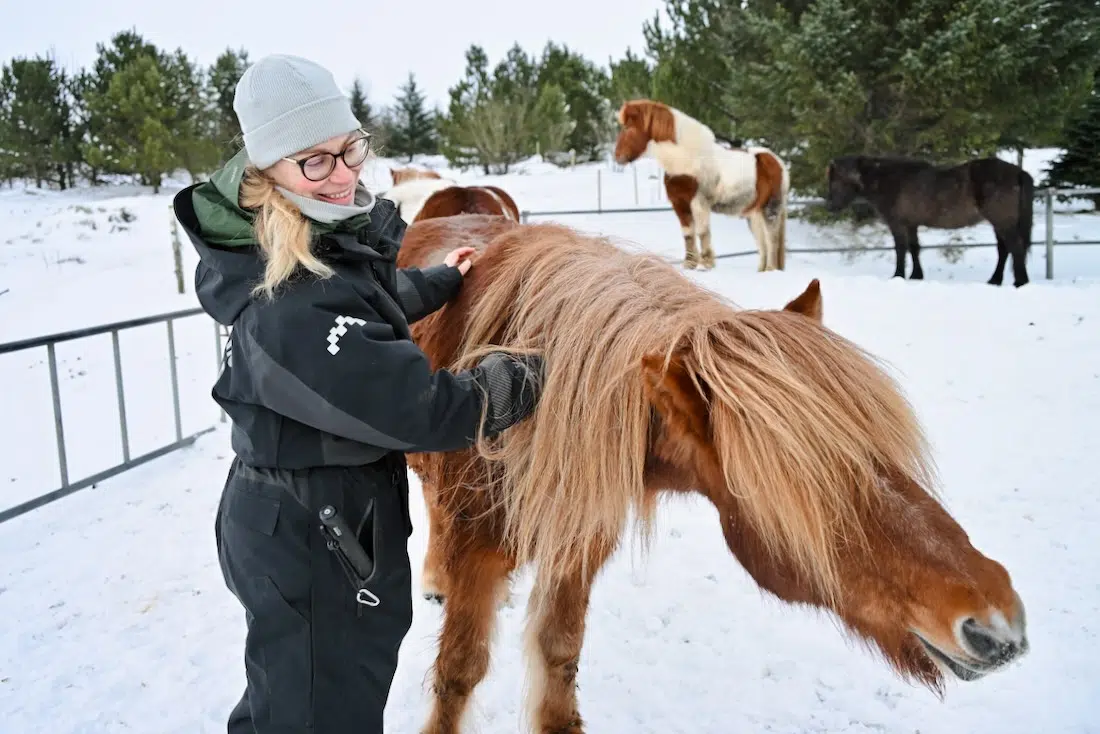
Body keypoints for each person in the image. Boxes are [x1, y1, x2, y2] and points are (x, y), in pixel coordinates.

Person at [171, 54, 545, 733]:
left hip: (316, 512)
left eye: (349, 149)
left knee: (301, 695)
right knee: (321, 711)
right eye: (314, 161)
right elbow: (423, 409)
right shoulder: (289, 303)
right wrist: (528, 379)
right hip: (316, 530)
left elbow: (353, 314)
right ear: (267, 170)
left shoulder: (305, 240)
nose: (344, 175)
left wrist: (435, 284)